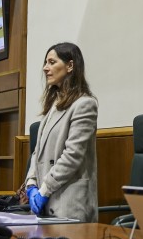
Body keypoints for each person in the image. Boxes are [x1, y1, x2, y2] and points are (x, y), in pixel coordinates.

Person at [24, 42, 98, 221]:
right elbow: (37, 152)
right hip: (47, 202)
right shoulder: (53, 105)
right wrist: (31, 183)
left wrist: (44, 189)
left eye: (51, 62)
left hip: (69, 204)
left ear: (70, 66)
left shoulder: (85, 104)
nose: (45, 68)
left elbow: (72, 156)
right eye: (45, 63)